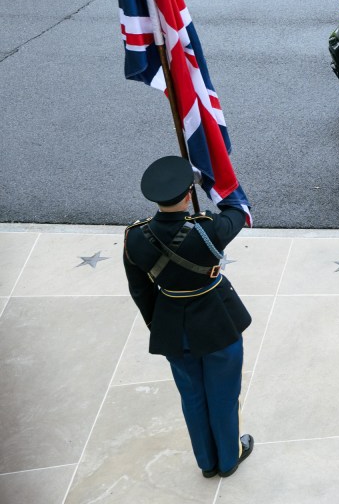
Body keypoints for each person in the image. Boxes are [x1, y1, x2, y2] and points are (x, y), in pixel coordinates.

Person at [122, 156, 254, 479]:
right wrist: (209, 180)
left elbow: (140, 291)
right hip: (217, 321)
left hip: (172, 324)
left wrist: (160, 323)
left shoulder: (136, 237)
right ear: (186, 195)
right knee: (223, 395)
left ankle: (206, 462)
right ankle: (228, 458)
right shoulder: (207, 230)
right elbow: (239, 210)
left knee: (192, 396)